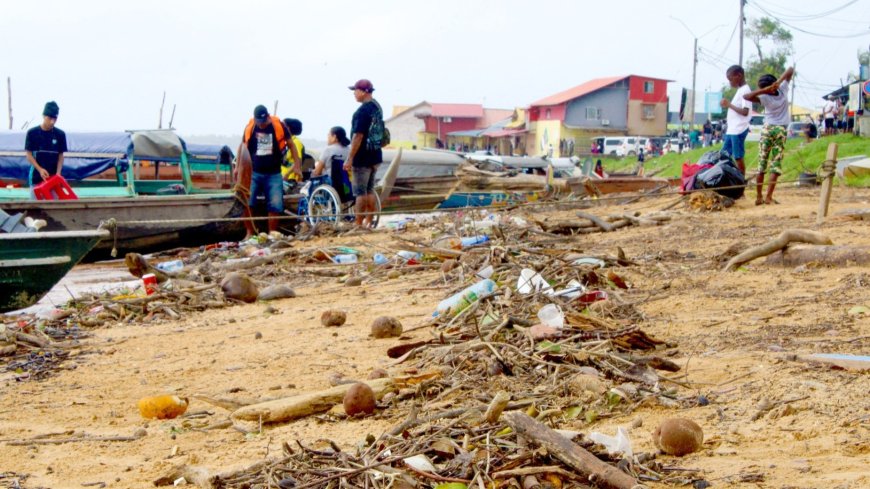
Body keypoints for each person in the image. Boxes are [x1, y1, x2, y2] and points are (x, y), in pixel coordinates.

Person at [241, 104, 300, 235]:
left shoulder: (279, 126)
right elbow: (243, 148)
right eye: (259, 122)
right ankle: (249, 232)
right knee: (247, 202)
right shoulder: (250, 128)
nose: (261, 125)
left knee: (275, 204)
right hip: (253, 172)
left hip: (273, 173)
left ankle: (272, 233)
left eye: (263, 122)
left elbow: (291, 145)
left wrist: (297, 165)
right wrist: (238, 169)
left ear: (268, 117)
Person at [744, 67, 794, 206]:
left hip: (767, 129)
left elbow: (746, 97)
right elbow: (790, 70)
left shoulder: (764, 97)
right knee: (775, 165)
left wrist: (764, 91)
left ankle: (759, 197)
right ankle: (769, 197)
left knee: (762, 164)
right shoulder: (783, 89)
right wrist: (778, 82)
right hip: (780, 130)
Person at [344, 79, 384, 228]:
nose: (354, 94)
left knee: (360, 192)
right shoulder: (377, 107)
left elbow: (358, 136)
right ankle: (369, 221)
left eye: (355, 91)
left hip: (362, 157)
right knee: (369, 189)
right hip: (375, 154)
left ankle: (358, 224)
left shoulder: (361, 112)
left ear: (363, 91)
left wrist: (350, 158)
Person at [25, 101, 67, 187]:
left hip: (53, 178)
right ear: (44, 116)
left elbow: (61, 155)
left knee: (53, 200)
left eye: (55, 119)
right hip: (36, 177)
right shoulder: (32, 133)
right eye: (50, 118)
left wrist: (58, 174)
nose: (52, 122)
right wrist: (40, 169)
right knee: (36, 200)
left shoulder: (60, 134)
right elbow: (29, 155)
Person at [720, 65, 752, 174]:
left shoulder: (745, 90)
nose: (730, 82)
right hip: (732, 129)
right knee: (724, 154)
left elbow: (745, 111)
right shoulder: (740, 90)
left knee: (738, 157)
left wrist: (729, 105)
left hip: (738, 129)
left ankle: (741, 182)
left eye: (731, 79)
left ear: (739, 76)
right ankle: (729, 178)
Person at [313, 126, 352, 202]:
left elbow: (317, 172)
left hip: (331, 183)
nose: (327, 137)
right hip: (347, 185)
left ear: (334, 137)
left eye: (328, 135)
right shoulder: (349, 150)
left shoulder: (328, 150)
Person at [281, 118, 306, 183]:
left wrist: (287, 174)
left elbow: (298, 161)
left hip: (289, 179)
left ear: (288, 128)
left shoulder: (296, 142)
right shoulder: (286, 142)